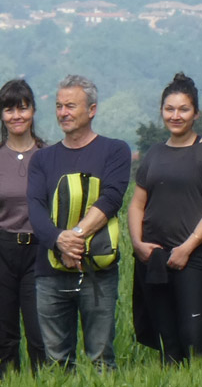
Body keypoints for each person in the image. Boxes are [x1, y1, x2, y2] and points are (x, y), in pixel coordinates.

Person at [28, 74, 133, 371]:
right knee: (57, 360)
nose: (63, 112)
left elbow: (111, 198)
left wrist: (74, 237)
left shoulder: (115, 151)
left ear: (92, 109)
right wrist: (58, 240)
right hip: (49, 272)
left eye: (71, 106)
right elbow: (35, 208)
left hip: (98, 269)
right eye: (60, 106)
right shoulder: (42, 159)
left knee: (101, 357)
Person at [127, 73, 202, 364]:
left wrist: (187, 247)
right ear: (161, 112)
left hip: (193, 259)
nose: (176, 115)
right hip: (154, 259)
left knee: (195, 341)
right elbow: (136, 205)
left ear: (195, 113)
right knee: (167, 344)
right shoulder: (155, 153)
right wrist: (137, 243)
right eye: (169, 109)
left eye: (183, 109)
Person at [0, 78, 46, 377]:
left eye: (22, 108)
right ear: (1, 115)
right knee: (2, 334)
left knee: (40, 333)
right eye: (9, 110)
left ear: (32, 110)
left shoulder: (48, 154)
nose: (16, 116)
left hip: (39, 252)